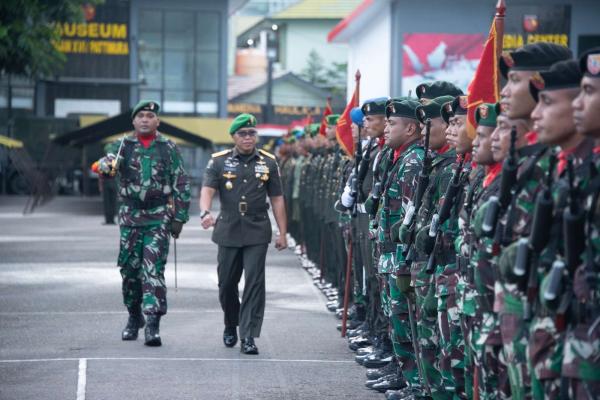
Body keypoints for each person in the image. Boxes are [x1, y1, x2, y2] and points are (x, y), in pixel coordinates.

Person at [96, 100, 191, 347]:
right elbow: (107, 164)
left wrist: (179, 217)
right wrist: (106, 167)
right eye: (141, 116)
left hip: (158, 216)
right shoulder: (121, 146)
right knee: (130, 271)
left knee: (153, 268)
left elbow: (181, 181)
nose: (146, 119)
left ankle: (152, 324)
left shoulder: (168, 147)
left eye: (150, 115)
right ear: (134, 121)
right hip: (130, 216)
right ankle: (133, 315)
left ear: (157, 121)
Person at [199, 113, 288, 355]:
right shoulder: (218, 161)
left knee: (255, 282)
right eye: (242, 133)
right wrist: (205, 212)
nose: (248, 137)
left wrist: (283, 232)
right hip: (227, 227)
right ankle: (231, 322)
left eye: (251, 133)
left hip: (257, 228)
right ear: (233, 137)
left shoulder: (269, 162)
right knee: (226, 283)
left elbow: (277, 199)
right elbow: (207, 190)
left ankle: (248, 334)